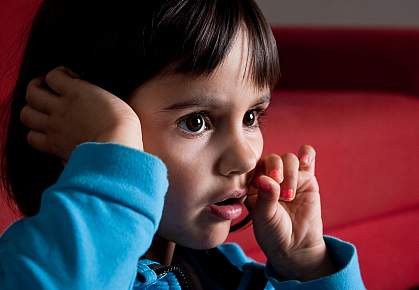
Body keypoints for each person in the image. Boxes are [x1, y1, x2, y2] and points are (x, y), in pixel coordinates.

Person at [0, 0, 366, 289]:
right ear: (78, 127)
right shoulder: (38, 266)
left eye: (252, 117)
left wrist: (305, 264)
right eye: (196, 122)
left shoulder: (226, 275)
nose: (244, 157)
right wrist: (113, 152)